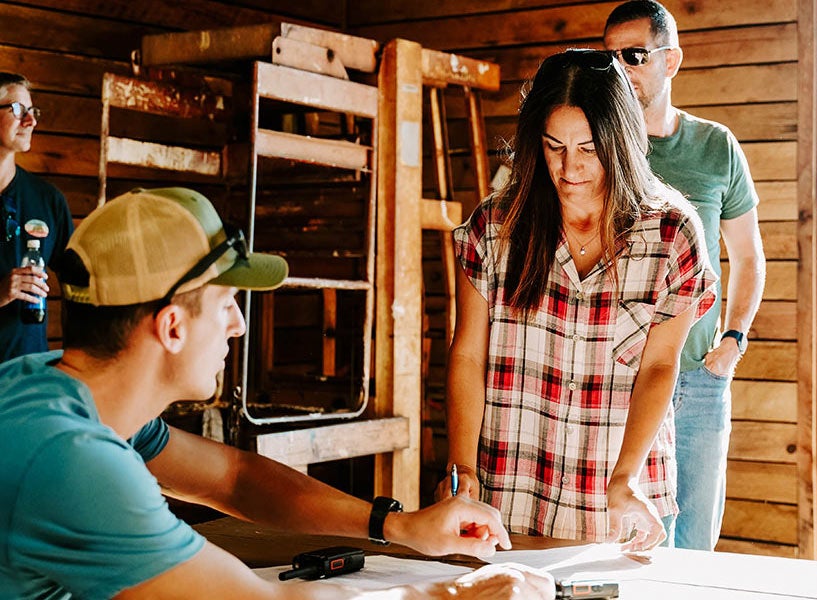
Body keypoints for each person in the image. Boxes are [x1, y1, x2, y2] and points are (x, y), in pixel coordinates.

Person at [0, 187, 555, 600]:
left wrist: (397, 526)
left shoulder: (52, 389)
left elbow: (236, 480)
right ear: (172, 328)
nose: (238, 326)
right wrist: (455, 594)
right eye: (225, 306)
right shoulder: (72, 459)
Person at [436, 49, 718, 550]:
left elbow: (659, 368)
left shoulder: (671, 234)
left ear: (621, 141)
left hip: (620, 499)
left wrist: (625, 477)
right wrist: (461, 469)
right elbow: (467, 355)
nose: (570, 167)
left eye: (589, 148)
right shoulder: (494, 227)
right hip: (508, 491)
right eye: (554, 147)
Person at [604, 0, 767, 551]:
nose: (619, 69)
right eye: (609, 59)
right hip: (618, 379)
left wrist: (734, 341)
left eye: (633, 55)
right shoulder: (594, 150)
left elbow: (747, 257)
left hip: (699, 376)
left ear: (670, 61)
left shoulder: (716, 146)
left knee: (695, 543)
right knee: (627, 543)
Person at [0, 72, 74, 363]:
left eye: (32, 112)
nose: (31, 121)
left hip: (27, 384)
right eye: (17, 110)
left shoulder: (48, 200)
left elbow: (78, 287)